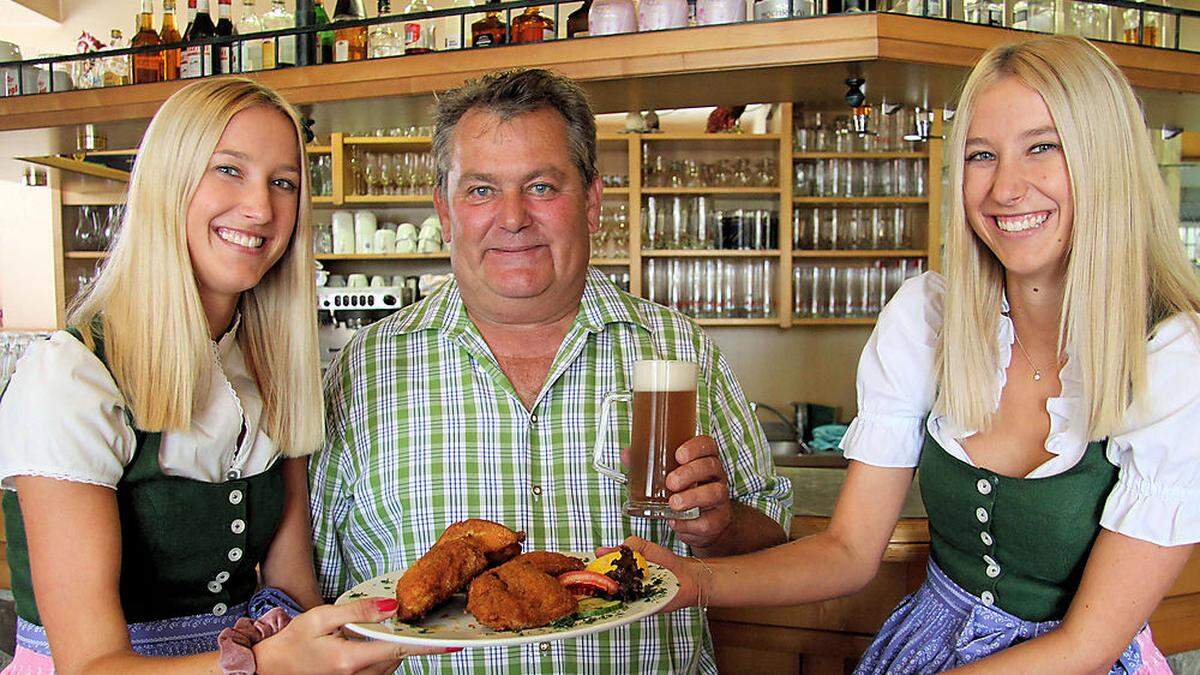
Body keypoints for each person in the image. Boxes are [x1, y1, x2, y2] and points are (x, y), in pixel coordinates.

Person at [625, 35, 1199, 673]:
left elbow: (1085, 646)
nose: (1006, 188)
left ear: (1107, 160)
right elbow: (847, 551)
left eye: (1043, 147)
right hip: (928, 647)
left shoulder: (1171, 360)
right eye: (982, 155)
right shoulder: (929, 320)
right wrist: (692, 582)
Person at [310, 68, 793, 673]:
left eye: (541, 186)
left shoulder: (678, 350)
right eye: (481, 190)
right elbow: (320, 580)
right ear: (445, 208)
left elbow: (774, 541)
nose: (512, 218)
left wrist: (718, 528)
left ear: (591, 202)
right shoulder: (363, 368)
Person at [0, 77, 448, 674]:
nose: (261, 208)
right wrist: (269, 666)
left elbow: (291, 587)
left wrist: (346, 649)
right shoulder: (73, 378)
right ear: (169, 181)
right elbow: (90, 665)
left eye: (283, 182)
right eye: (228, 170)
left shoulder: (272, 371)